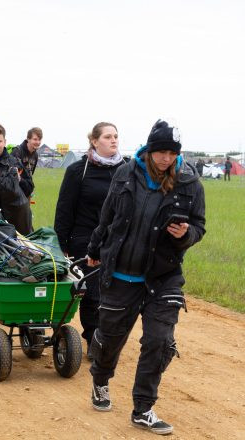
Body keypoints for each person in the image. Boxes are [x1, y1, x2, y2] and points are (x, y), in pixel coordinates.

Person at [86, 119, 205, 435]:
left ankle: (143, 409)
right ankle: (100, 379)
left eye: (172, 153)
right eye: (161, 152)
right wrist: (95, 248)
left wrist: (187, 233)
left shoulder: (190, 182)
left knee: (159, 341)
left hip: (163, 276)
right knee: (110, 339)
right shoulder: (126, 174)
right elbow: (108, 215)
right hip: (123, 273)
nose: (166, 159)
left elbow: (199, 226)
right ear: (150, 150)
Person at [54, 122, 125, 356]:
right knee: (92, 295)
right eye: (107, 136)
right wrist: (61, 243)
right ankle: (94, 340)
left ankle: (107, 338)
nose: (113, 140)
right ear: (94, 141)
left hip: (118, 242)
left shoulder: (127, 170)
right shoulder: (78, 170)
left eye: (116, 136)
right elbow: (65, 208)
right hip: (84, 240)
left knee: (115, 294)